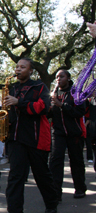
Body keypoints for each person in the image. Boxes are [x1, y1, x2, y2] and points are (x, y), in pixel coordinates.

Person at [4, 58, 58, 213]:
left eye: (22, 67)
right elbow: (10, 110)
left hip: (35, 138)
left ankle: (51, 205)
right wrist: (5, 120)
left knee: (42, 176)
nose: (18, 70)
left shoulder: (39, 86)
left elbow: (42, 108)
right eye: (17, 67)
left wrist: (18, 102)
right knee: (15, 177)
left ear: (31, 70)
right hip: (15, 138)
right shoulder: (12, 88)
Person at [49, 69, 87, 200]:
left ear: (68, 78)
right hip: (58, 133)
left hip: (74, 133)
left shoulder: (76, 93)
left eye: (61, 76)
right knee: (55, 161)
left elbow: (79, 111)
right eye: (57, 77)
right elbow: (50, 114)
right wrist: (49, 107)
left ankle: (80, 188)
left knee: (76, 161)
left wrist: (61, 105)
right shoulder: (54, 93)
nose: (58, 79)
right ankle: (55, 193)